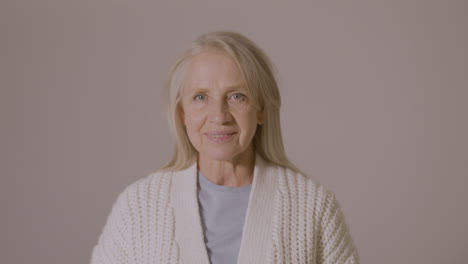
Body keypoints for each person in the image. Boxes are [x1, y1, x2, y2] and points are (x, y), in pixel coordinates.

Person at [90, 31, 360, 264]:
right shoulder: (138, 206)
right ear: (181, 112)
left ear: (261, 109)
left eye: (236, 96)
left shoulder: (313, 206)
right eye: (200, 97)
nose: (219, 115)